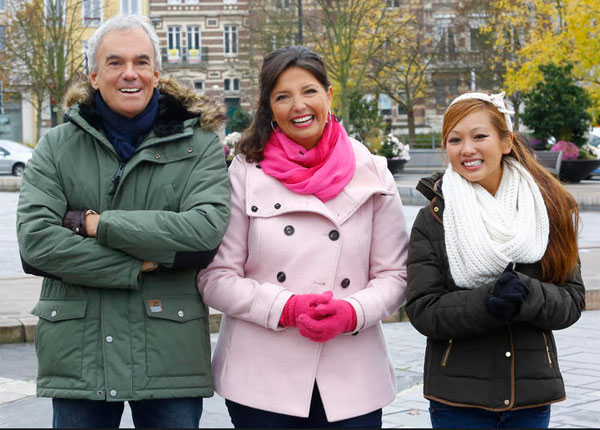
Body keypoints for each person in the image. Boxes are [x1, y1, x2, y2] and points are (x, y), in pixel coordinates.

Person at [16, 14, 230, 429]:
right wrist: (138, 264)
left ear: (156, 72)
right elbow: (36, 244)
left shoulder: (199, 146)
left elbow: (203, 235)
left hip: (169, 353)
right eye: (115, 63)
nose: (129, 74)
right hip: (80, 354)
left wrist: (96, 225)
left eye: (140, 62)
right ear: (94, 75)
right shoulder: (56, 147)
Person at [197, 45, 408, 428]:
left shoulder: (373, 172)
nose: (299, 105)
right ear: (269, 108)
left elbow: (395, 276)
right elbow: (215, 279)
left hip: (351, 379)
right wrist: (287, 308)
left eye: (309, 91)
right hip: (261, 379)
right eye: (283, 96)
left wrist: (350, 313)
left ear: (329, 95)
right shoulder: (245, 172)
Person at [405, 91, 585, 428]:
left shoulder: (549, 209)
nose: (467, 149)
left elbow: (572, 301)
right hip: (457, 399)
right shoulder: (434, 218)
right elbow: (423, 309)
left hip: (529, 396)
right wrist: (487, 302)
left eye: (479, 136)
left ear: (506, 141)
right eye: (454, 139)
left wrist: (528, 294)